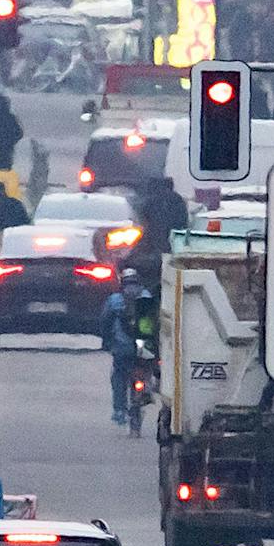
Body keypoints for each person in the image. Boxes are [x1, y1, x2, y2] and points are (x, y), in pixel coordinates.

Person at [100, 272, 143, 427]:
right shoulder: (147, 296)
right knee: (144, 373)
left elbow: (105, 322)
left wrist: (106, 342)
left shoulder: (115, 300)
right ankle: (144, 395)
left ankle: (119, 410)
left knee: (118, 376)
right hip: (143, 349)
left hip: (122, 348)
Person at [135, 174, 189, 263]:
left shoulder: (150, 199)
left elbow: (143, 216)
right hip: (174, 237)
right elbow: (183, 219)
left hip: (154, 237)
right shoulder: (177, 198)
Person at [0, 178, 30, 252]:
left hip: (2, 230)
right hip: (17, 230)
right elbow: (25, 218)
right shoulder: (16, 203)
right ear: (4, 190)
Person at [0, 93, 24, 172]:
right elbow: (19, 133)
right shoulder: (11, 117)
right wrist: (11, 141)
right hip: (7, 150)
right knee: (6, 170)